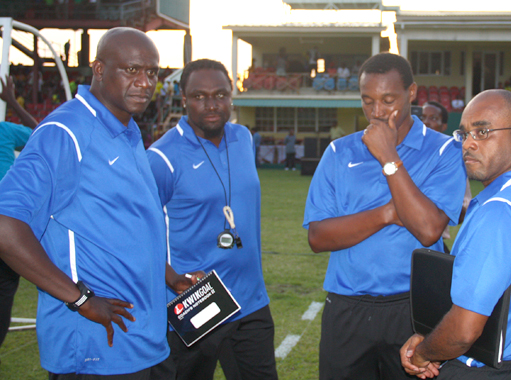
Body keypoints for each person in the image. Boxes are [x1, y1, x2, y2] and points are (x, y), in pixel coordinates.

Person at [0, 27, 197, 378]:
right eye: (131, 70)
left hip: (144, 340)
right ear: (100, 70)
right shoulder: (66, 131)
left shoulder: (127, 130)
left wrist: (170, 277)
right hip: (97, 347)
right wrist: (79, 298)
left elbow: (125, 225)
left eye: (152, 72)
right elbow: (5, 225)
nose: (144, 82)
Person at [303, 52, 466, 380]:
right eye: (367, 101)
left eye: (388, 100)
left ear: (412, 93)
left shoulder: (444, 152)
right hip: (346, 307)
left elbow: (428, 229)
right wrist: (390, 212)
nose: (377, 112)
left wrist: (388, 157)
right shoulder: (339, 152)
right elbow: (318, 238)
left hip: (412, 310)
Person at [400, 89, 511, 380]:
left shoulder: (500, 210)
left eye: (483, 131)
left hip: (488, 370)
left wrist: (423, 353)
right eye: (464, 133)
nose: (469, 143)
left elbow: (463, 331)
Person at [147, 59, 277, 380]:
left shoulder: (243, 138)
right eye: (200, 96)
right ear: (184, 100)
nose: (211, 105)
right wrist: (170, 277)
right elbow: (138, 233)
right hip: (194, 302)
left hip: (250, 300)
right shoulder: (161, 157)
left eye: (220, 95)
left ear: (232, 95)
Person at [0, 74, 39, 352]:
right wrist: (12, 101)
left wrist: (12, 102)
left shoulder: (4, 131)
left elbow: (41, 135)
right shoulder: (4, 131)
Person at [421, 101, 472, 252]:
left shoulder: (452, 161)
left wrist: (453, 207)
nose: (426, 122)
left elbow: (464, 209)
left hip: (432, 245)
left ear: (444, 126)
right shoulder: (403, 155)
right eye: (423, 117)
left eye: (433, 118)